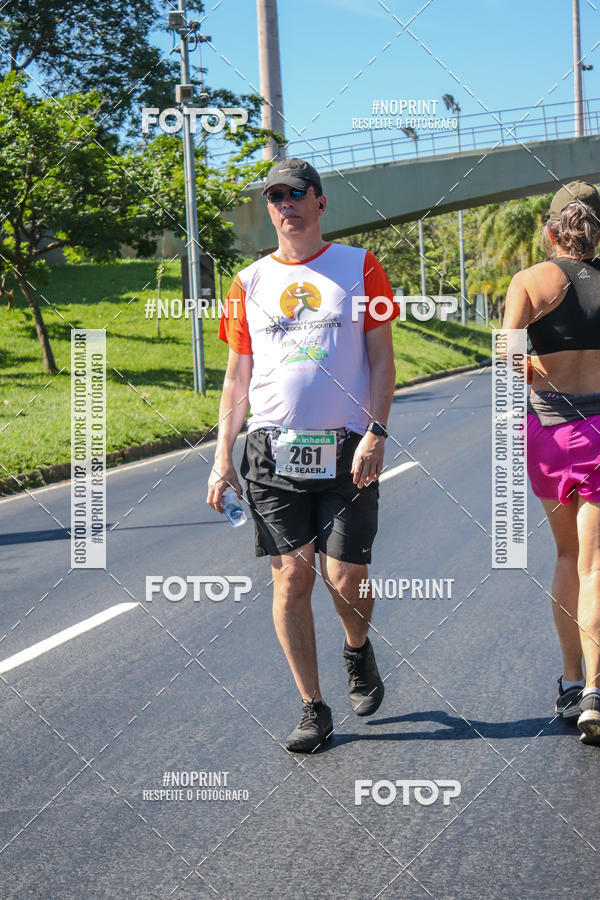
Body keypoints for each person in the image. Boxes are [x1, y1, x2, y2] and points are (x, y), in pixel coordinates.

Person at [207, 158, 398, 752]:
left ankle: (358, 651)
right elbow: (237, 379)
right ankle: (313, 707)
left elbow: (383, 360)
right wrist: (222, 458)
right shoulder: (247, 283)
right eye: (274, 197)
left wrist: (376, 433)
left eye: (295, 194)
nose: (284, 205)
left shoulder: (360, 267)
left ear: (319, 202)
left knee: (345, 575)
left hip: (346, 449)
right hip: (270, 451)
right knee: (292, 577)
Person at [502, 180, 600, 746]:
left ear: (549, 230)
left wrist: (538, 370)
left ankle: (570, 682)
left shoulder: (530, 281)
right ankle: (596, 694)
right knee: (595, 561)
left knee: (567, 556)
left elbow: (508, 352)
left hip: (550, 433)